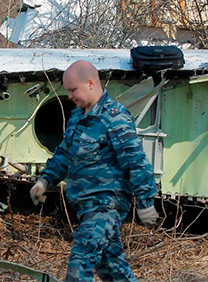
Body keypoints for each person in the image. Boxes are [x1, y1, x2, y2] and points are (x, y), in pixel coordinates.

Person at [30, 60, 157, 282]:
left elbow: (135, 160)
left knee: (81, 260)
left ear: (90, 83)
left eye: (72, 90)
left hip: (107, 204)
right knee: (113, 269)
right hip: (85, 206)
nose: (69, 96)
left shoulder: (114, 117)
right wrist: (45, 181)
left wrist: (146, 202)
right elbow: (65, 153)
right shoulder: (78, 116)